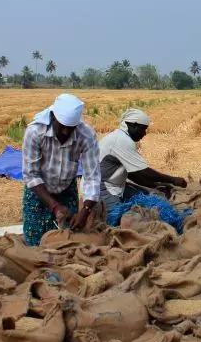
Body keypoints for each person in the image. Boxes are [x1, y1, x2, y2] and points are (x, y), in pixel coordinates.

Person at [21, 93, 101, 246]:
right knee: (36, 242)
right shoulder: (35, 132)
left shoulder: (86, 135)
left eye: (70, 128)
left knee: (69, 240)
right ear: (53, 117)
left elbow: (92, 176)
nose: (65, 132)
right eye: (62, 126)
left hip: (66, 188)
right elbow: (31, 175)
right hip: (38, 191)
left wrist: (85, 210)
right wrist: (54, 206)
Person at [99, 108, 188, 212]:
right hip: (102, 188)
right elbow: (143, 171)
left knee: (149, 199)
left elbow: (134, 174)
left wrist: (156, 185)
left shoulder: (121, 137)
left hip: (117, 186)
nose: (144, 133)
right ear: (133, 125)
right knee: (117, 216)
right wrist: (173, 180)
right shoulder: (121, 141)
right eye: (143, 129)